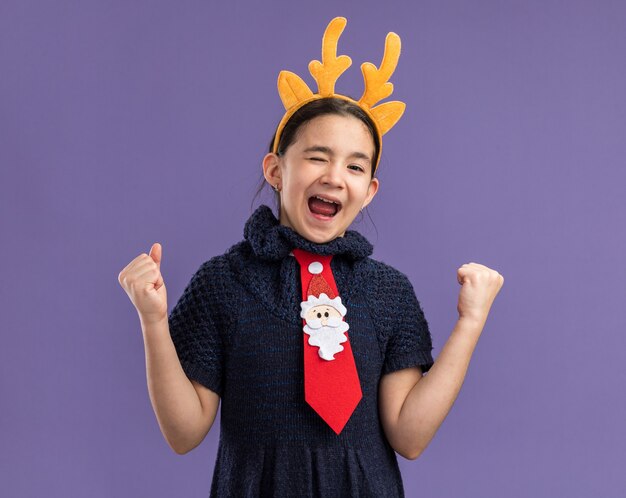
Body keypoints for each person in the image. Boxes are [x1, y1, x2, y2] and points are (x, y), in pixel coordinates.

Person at [118, 17, 504, 497]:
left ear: (369, 192)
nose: (335, 176)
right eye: (318, 156)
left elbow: (410, 435)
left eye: (355, 166)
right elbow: (183, 433)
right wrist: (153, 322)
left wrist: (470, 323)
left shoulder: (390, 292)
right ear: (276, 170)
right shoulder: (222, 282)